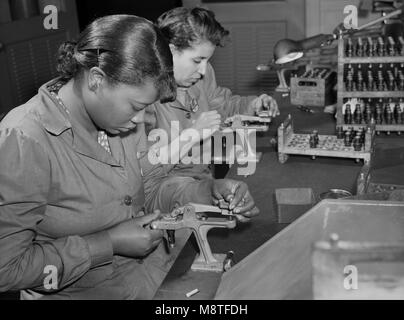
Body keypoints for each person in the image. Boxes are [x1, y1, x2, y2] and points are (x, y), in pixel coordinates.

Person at [0, 14, 257, 300]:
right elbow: (6, 269)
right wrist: (107, 243)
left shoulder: (119, 119)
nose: (140, 120)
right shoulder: (24, 140)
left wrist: (206, 191)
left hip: (150, 278)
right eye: (136, 106)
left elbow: (151, 188)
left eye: (146, 108)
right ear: (97, 79)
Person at [144, 7, 279, 214]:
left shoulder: (202, 76)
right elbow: (146, 173)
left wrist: (253, 105)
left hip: (204, 181)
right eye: (197, 60)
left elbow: (221, 105)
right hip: (165, 199)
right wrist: (192, 134)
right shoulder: (142, 98)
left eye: (207, 60)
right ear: (169, 51)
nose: (203, 70)